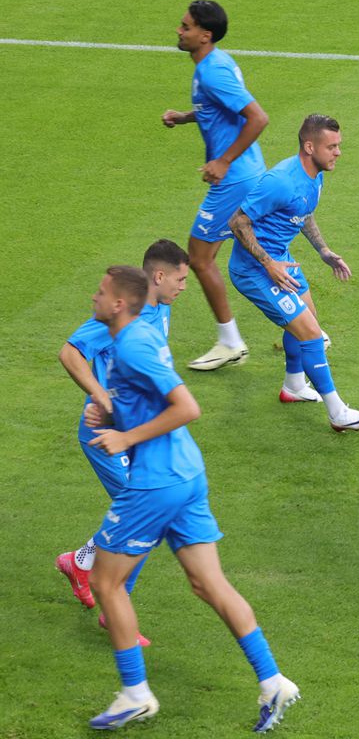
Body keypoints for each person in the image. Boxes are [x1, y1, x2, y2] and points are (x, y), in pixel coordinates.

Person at [83, 265, 300, 731]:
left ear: (119, 303)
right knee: (208, 584)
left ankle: (135, 693)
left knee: (105, 582)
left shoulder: (133, 345)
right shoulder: (138, 335)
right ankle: (273, 681)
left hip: (156, 482)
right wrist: (112, 415)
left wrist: (125, 437)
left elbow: (187, 407)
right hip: (186, 474)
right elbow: (151, 402)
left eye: (100, 292)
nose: (93, 298)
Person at [56, 239, 191, 647]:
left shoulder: (161, 307)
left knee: (142, 513)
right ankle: (112, 610)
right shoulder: (122, 313)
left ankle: (82, 562)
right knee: (145, 515)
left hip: (135, 435)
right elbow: (70, 353)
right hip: (105, 435)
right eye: (180, 279)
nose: (184, 287)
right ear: (159, 276)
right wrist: (102, 397)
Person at [228, 114, 359, 431]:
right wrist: (268, 264)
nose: (338, 153)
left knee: (309, 319)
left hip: (281, 260)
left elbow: (303, 212)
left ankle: (293, 385)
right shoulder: (281, 181)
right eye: (332, 147)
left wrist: (323, 250)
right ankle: (337, 412)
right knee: (310, 333)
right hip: (254, 269)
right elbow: (237, 221)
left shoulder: (314, 175)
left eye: (338, 145)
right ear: (310, 147)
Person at [162, 0, 269, 372]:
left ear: (205, 35)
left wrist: (223, 161)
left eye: (186, 26)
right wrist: (186, 117)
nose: (179, 31)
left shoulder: (212, 72)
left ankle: (231, 343)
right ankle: (312, 330)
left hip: (236, 178)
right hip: (248, 171)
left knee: (200, 257)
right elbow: (219, 108)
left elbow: (257, 118)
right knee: (262, 251)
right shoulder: (214, 63)